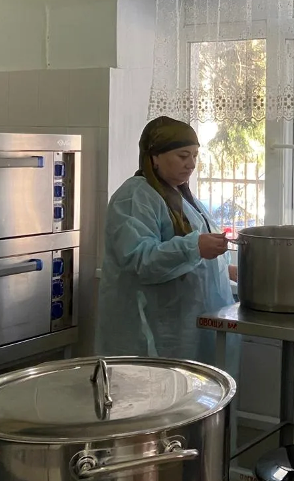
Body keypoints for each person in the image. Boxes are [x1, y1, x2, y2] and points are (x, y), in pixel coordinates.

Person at [95, 116, 238, 367]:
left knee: (192, 387)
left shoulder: (183, 198)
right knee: (151, 388)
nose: (191, 164)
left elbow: (192, 258)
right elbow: (141, 260)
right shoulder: (135, 197)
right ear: (154, 157)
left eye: (195, 156)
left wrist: (226, 269)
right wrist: (195, 247)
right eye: (183, 156)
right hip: (149, 330)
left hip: (183, 328)